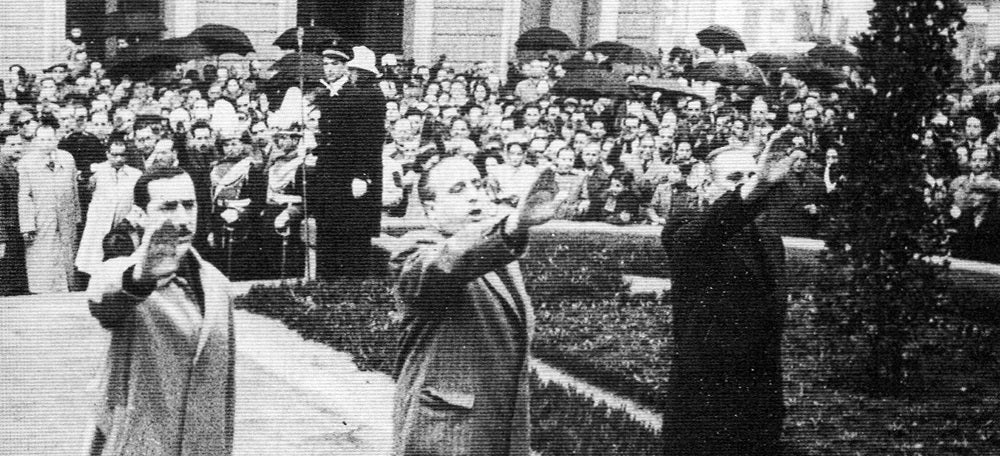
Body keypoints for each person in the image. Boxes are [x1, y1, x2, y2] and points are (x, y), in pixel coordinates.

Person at [389, 156, 558, 456]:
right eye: (457, 189)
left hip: (497, 432)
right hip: (445, 436)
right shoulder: (413, 252)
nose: (473, 194)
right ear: (430, 208)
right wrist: (513, 225)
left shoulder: (501, 258)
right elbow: (446, 263)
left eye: (477, 184)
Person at [660, 137, 799, 455]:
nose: (748, 186)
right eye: (735, 179)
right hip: (705, 399)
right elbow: (712, 226)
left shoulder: (767, 236)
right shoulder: (684, 226)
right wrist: (758, 186)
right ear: (706, 184)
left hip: (759, 397)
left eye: (753, 176)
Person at [86, 167, 235, 456]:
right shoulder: (126, 274)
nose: (182, 219)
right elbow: (102, 297)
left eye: (189, 205)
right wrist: (139, 279)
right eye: (167, 207)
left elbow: (225, 394)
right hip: (137, 444)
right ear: (140, 216)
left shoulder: (217, 284)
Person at [314, 46, 386, 278]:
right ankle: (326, 286)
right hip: (329, 174)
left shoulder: (365, 94)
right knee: (328, 232)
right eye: (326, 64)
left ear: (347, 67)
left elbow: (370, 137)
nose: (329, 69)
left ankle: (352, 290)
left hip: (351, 173)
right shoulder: (327, 94)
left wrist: (362, 174)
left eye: (335, 64)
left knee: (352, 235)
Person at [18, 124, 80, 293]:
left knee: (66, 252)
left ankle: (68, 289)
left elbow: (74, 190)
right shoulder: (26, 163)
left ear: (56, 139)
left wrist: (77, 217)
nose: (46, 143)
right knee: (42, 255)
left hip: (66, 216)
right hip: (41, 217)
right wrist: (27, 225)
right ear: (36, 141)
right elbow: (24, 196)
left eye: (50, 139)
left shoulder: (67, 158)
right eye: (42, 139)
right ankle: (42, 292)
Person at [75, 139, 142, 278]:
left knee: (124, 266)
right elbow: (83, 190)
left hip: (124, 226)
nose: (118, 159)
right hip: (99, 226)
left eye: (122, 155)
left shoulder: (136, 175)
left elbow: (139, 204)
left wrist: (129, 221)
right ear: (107, 154)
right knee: (95, 264)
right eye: (114, 154)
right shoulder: (97, 171)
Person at [0, 131, 28, 295]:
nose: (17, 148)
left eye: (19, 144)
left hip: (16, 229)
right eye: (12, 145)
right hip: (7, 231)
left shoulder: (17, 166)